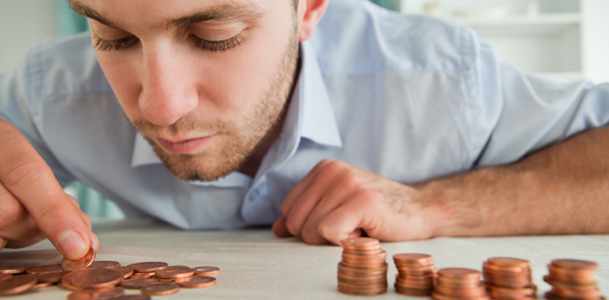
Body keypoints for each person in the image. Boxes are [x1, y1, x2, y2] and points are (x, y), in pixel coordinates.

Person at [1, 0, 608, 262]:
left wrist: (441, 205)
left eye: (214, 36)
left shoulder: (444, 80)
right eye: (114, 37)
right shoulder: (48, 90)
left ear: (309, 8)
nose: (160, 108)